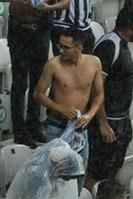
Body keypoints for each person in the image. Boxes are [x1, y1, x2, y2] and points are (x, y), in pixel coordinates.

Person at [86, 5, 133, 190]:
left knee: (110, 174)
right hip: (107, 122)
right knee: (96, 173)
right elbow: (95, 88)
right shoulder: (109, 45)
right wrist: (102, 123)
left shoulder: (121, 44)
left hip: (120, 121)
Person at [33, 28, 103, 162]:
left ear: (79, 47)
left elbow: (99, 95)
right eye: (60, 46)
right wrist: (60, 108)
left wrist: (90, 115)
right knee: (56, 173)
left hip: (81, 128)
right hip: (57, 126)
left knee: (79, 171)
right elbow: (37, 94)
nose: (60, 50)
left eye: (66, 47)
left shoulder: (94, 63)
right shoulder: (53, 65)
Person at [8, 0, 54, 147]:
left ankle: (33, 124)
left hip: (41, 30)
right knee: (20, 83)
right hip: (19, 29)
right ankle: (19, 131)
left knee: (38, 80)